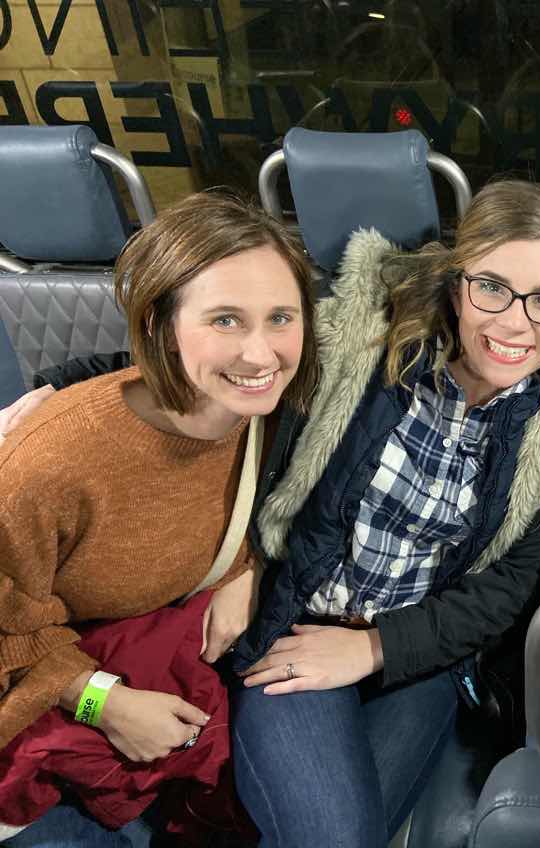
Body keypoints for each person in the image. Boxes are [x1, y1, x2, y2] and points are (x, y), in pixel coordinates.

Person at [222, 180, 540, 847]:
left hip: (417, 655)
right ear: (457, 285)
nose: (515, 324)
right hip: (300, 620)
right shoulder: (358, 344)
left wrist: (373, 648)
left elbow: (500, 592)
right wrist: (236, 567)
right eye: (492, 288)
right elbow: (208, 387)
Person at [0, 191, 319, 845]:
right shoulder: (51, 464)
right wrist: (102, 701)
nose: (261, 354)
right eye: (225, 320)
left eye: (281, 317)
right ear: (159, 325)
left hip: (167, 685)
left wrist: (247, 568)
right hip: (45, 718)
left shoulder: (279, 420)